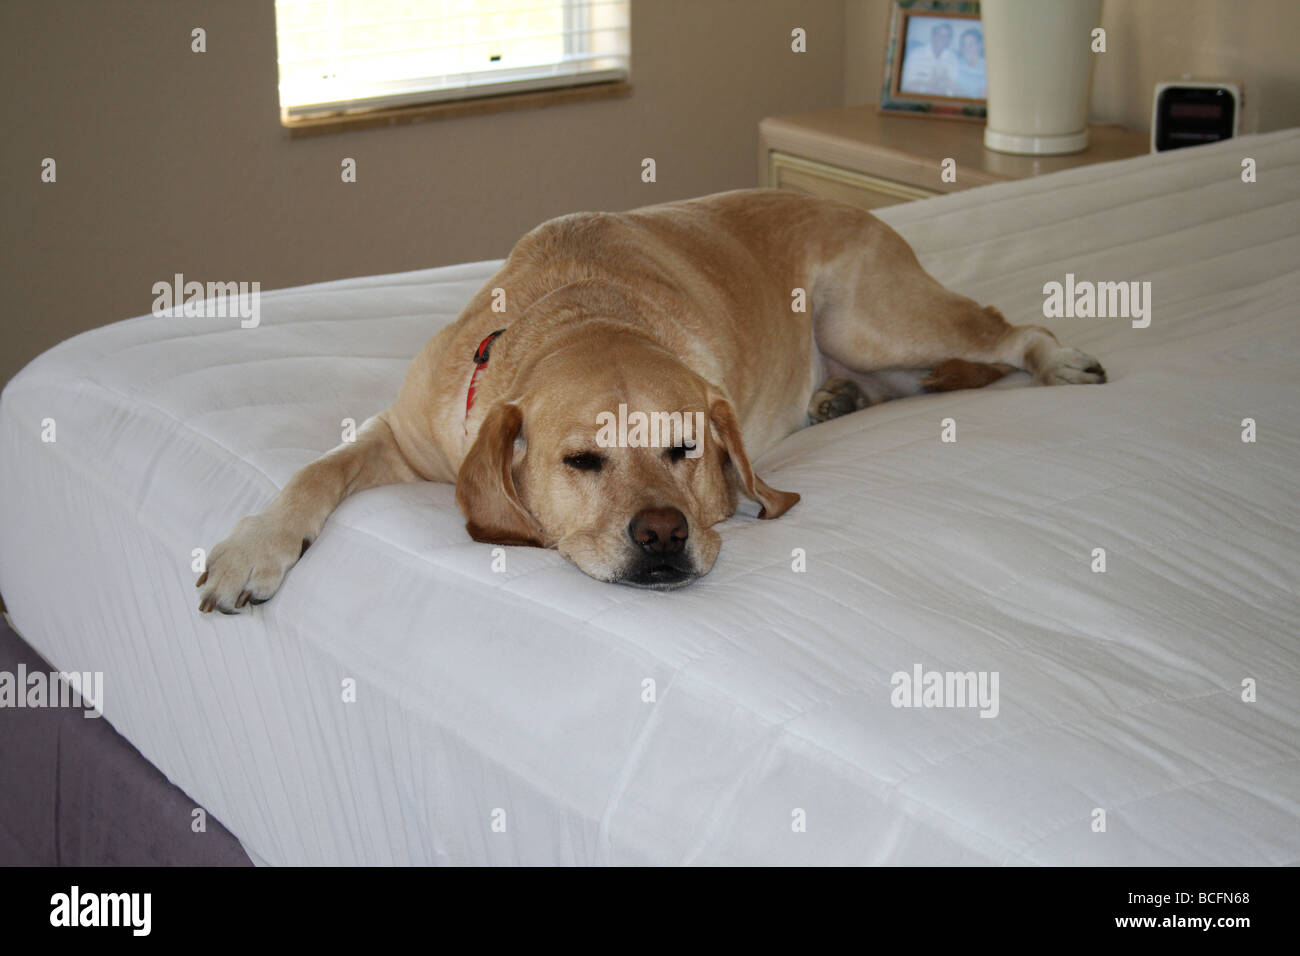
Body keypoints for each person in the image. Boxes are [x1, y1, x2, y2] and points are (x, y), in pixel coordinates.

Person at [900, 20, 960, 97]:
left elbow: (953, 87)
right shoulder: (916, 54)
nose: (942, 38)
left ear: (949, 40)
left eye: (946, 36)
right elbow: (905, 84)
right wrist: (927, 87)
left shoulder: (953, 59)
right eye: (939, 34)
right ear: (933, 35)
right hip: (916, 98)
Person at [954, 28, 986, 99]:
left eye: (971, 44)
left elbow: (982, 98)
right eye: (964, 44)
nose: (967, 48)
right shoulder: (958, 63)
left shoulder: (986, 68)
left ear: (979, 45)